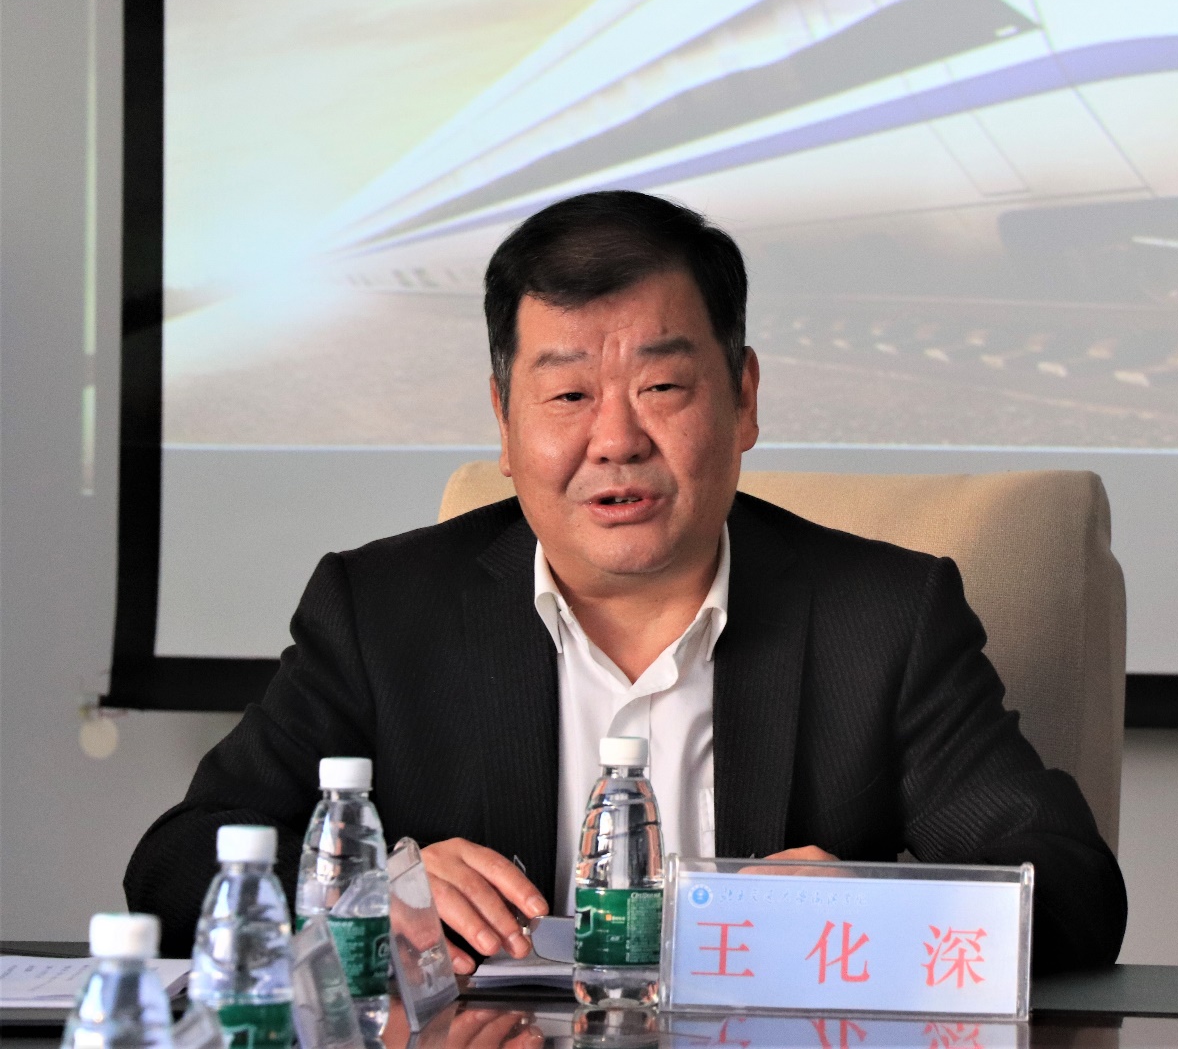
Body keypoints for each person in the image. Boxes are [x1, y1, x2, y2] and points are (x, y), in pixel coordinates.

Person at [125, 191, 1126, 973]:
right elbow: (175, 863)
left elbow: (1073, 887)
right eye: (567, 394)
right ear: (504, 422)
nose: (616, 439)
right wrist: (357, 889)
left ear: (743, 399)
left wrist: (872, 905)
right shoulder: (382, 610)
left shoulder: (885, 617)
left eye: (662, 386)